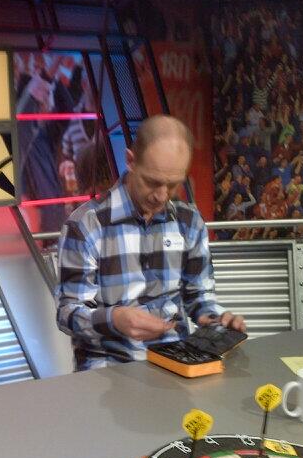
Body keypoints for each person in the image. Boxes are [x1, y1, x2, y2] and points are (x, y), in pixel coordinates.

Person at [56, 115, 246, 371]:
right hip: (108, 367)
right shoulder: (86, 224)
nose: (161, 196)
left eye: (173, 184)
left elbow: (199, 295)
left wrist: (217, 320)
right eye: (152, 182)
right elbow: (67, 313)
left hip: (178, 362)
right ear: (130, 160)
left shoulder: (189, 221)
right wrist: (114, 319)